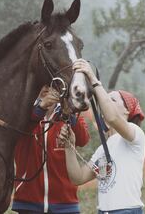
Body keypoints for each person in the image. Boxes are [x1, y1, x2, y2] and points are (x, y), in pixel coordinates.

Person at [59, 58, 145, 214]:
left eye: (112, 99)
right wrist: (69, 146)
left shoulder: (135, 135)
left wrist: (93, 79)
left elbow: (113, 117)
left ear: (127, 110)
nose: (105, 102)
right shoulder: (103, 149)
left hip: (127, 210)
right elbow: (77, 178)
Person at [12, 85, 90, 214]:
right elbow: (20, 132)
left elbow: (83, 140)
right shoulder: (23, 111)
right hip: (28, 201)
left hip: (65, 203)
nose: (47, 88)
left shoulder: (69, 113)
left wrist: (69, 113)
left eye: (52, 84)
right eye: (42, 84)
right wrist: (40, 108)